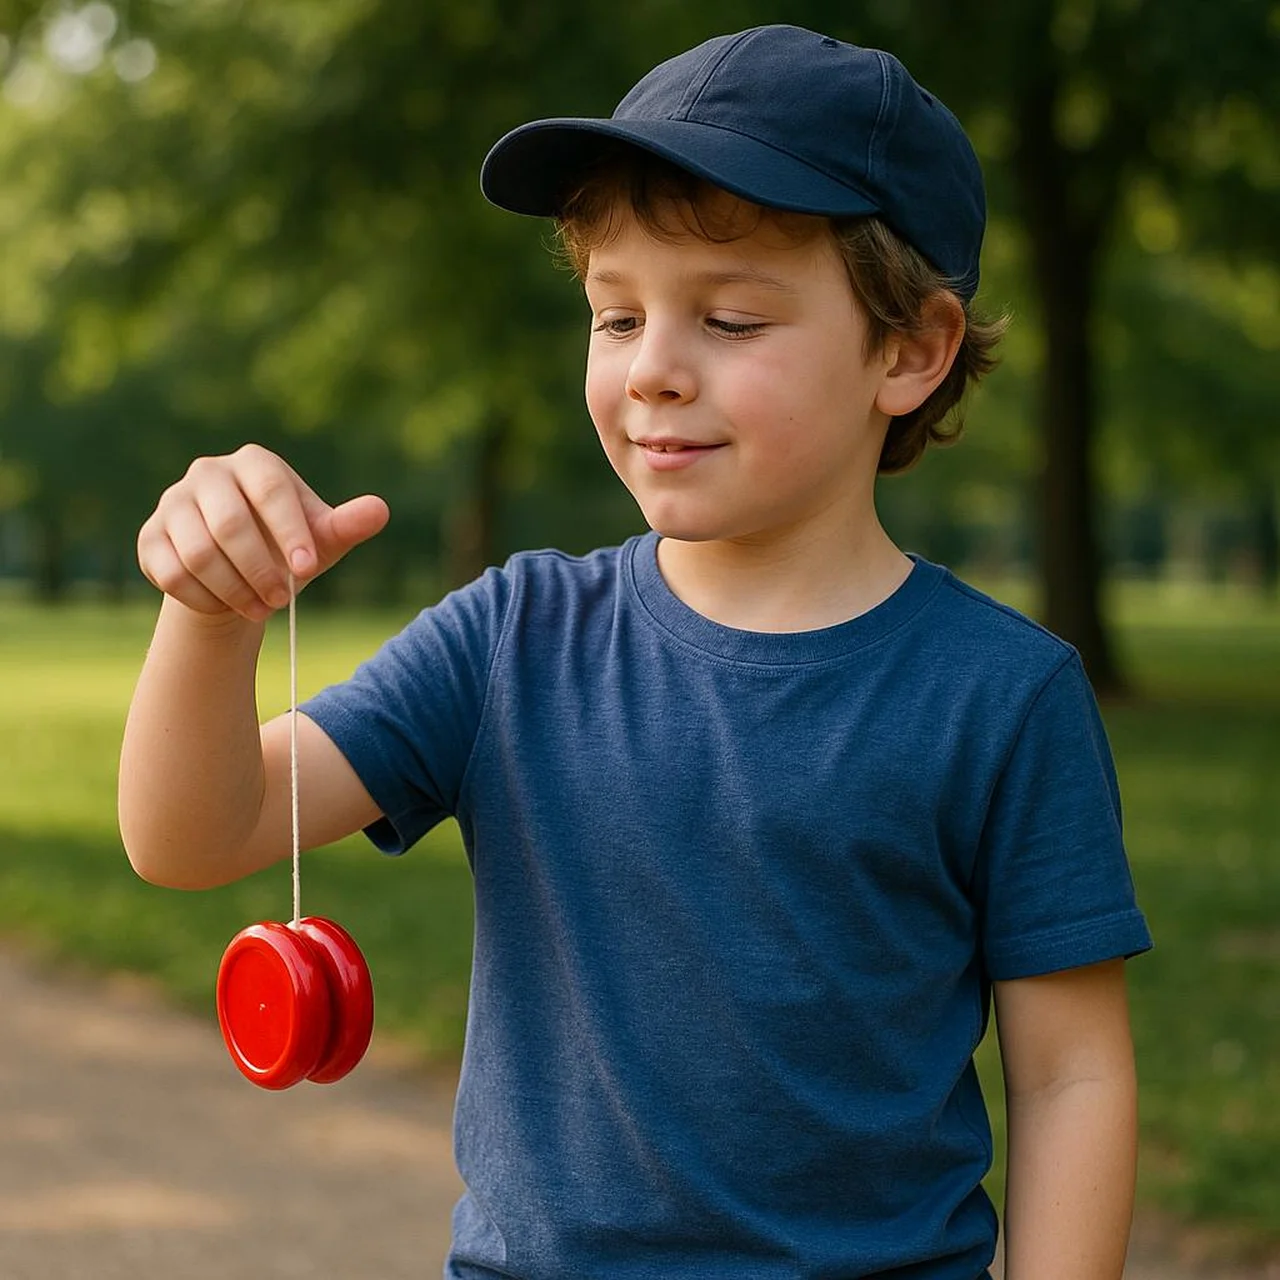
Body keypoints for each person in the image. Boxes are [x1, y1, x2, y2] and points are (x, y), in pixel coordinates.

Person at [119, 24, 1152, 1280]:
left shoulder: (1002, 695)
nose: (652, 370)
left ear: (909, 350)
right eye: (615, 316)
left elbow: (1073, 1073)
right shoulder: (513, 637)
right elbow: (192, 832)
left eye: (725, 318)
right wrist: (210, 615)